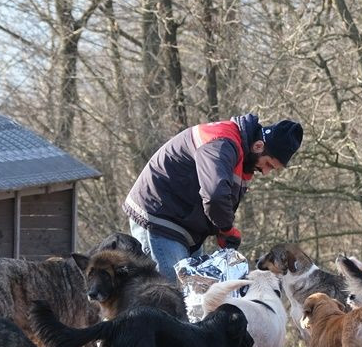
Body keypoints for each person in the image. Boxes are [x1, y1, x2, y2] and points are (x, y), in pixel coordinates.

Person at [123, 113, 303, 281]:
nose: (265, 172)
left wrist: (220, 229)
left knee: (195, 293)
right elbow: (215, 195)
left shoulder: (240, 155)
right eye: (268, 165)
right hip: (158, 216)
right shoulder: (222, 142)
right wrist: (226, 229)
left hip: (183, 224)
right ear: (258, 146)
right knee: (170, 295)